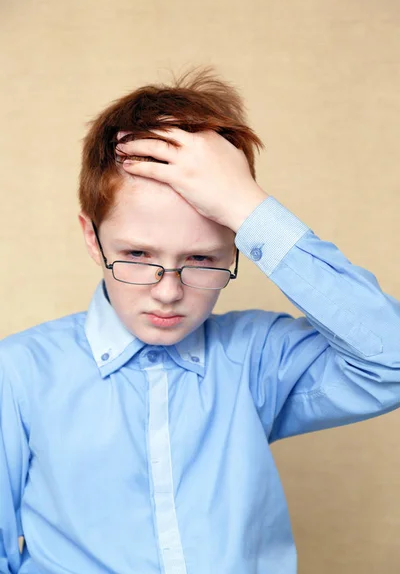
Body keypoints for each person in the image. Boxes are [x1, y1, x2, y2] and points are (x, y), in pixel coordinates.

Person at [0, 66, 399, 574]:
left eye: (204, 260)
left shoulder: (257, 358)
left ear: (237, 243)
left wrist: (249, 209)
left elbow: (391, 359)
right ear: (91, 237)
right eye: (139, 253)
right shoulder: (17, 374)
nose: (168, 293)